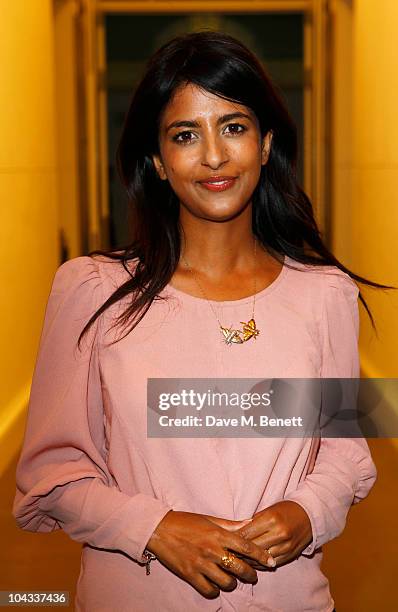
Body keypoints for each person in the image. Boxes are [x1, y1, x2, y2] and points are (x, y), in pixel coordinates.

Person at [13, 30, 388, 612]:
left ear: (265, 144)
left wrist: (306, 512)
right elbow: (53, 474)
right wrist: (155, 527)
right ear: (158, 162)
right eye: (186, 135)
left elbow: (344, 453)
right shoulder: (92, 291)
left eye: (233, 127)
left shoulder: (325, 294)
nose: (214, 156)